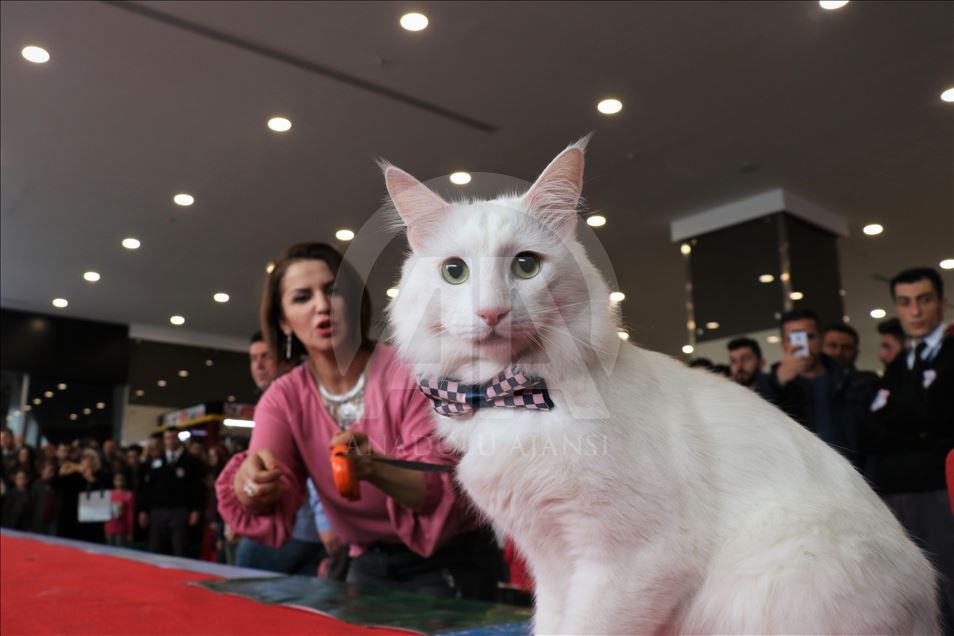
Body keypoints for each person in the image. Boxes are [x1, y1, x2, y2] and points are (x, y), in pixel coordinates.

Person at [216, 242, 496, 599]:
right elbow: (268, 489)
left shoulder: (412, 369)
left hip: (453, 559)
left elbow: (439, 485)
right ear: (284, 322)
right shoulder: (282, 397)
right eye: (302, 298)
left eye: (332, 290)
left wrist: (373, 468)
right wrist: (250, 486)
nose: (321, 305)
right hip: (366, 561)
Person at [865, 267, 953, 628]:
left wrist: (911, 423)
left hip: (942, 489)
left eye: (923, 300)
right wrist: (919, 424)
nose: (914, 311)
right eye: (904, 302)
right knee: (910, 590)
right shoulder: (898, 364)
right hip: (897, 493)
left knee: (949, 582)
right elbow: (872, 430)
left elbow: (929, 418)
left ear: (942, 303)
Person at [234, 331, 335, 576]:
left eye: (266, 356)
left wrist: (327, 527)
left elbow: (321, 461)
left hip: (301, 531)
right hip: (303, 530)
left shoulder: (301, 396)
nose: (257, 364)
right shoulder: (277, 399)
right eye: (253, 358)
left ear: (286, 360)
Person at [756, 309, 875, 469]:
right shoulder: (771, 385)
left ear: (820, 340)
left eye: (810, 337)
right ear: (784, 345)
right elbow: (759, 427)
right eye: (795, 338)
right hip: (804, 478)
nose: (803, 344)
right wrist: (778, 381)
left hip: (852, 474)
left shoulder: (850, 380)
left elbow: (871, 439)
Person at [139, 430, 203, 556]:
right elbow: (147, 487)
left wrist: (196, 509)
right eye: (167, 438)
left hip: (180, 510)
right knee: (155, 548)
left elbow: (196, 487)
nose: (170, 441)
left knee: (180, 548)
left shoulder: (191, 461)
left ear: (178, 439)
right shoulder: (156, 460)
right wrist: (143, 510)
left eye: (173, 437)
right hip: (158, 510)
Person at [104, 472, 135, 547]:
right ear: (113, 481)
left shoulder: (129, 495)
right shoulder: (109, 494)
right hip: (109, 528)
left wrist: (130, 532)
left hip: (121, 529)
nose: (119, 482)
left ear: (124, 481)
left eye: (121, 480)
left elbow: (130, 514)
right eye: (117, 480)